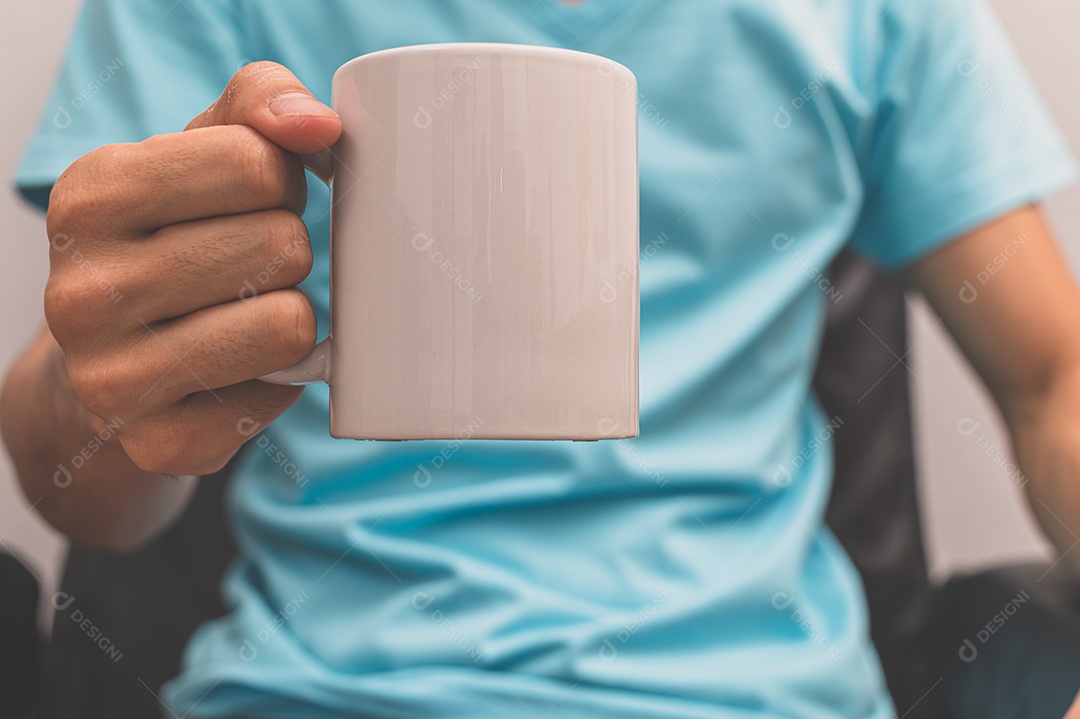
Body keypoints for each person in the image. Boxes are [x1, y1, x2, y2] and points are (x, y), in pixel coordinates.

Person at [4, 0, 1080, 717]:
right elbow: (86, 472)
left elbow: (1055, 381)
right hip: (311, 693)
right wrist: (101, 392)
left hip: (760, 696)